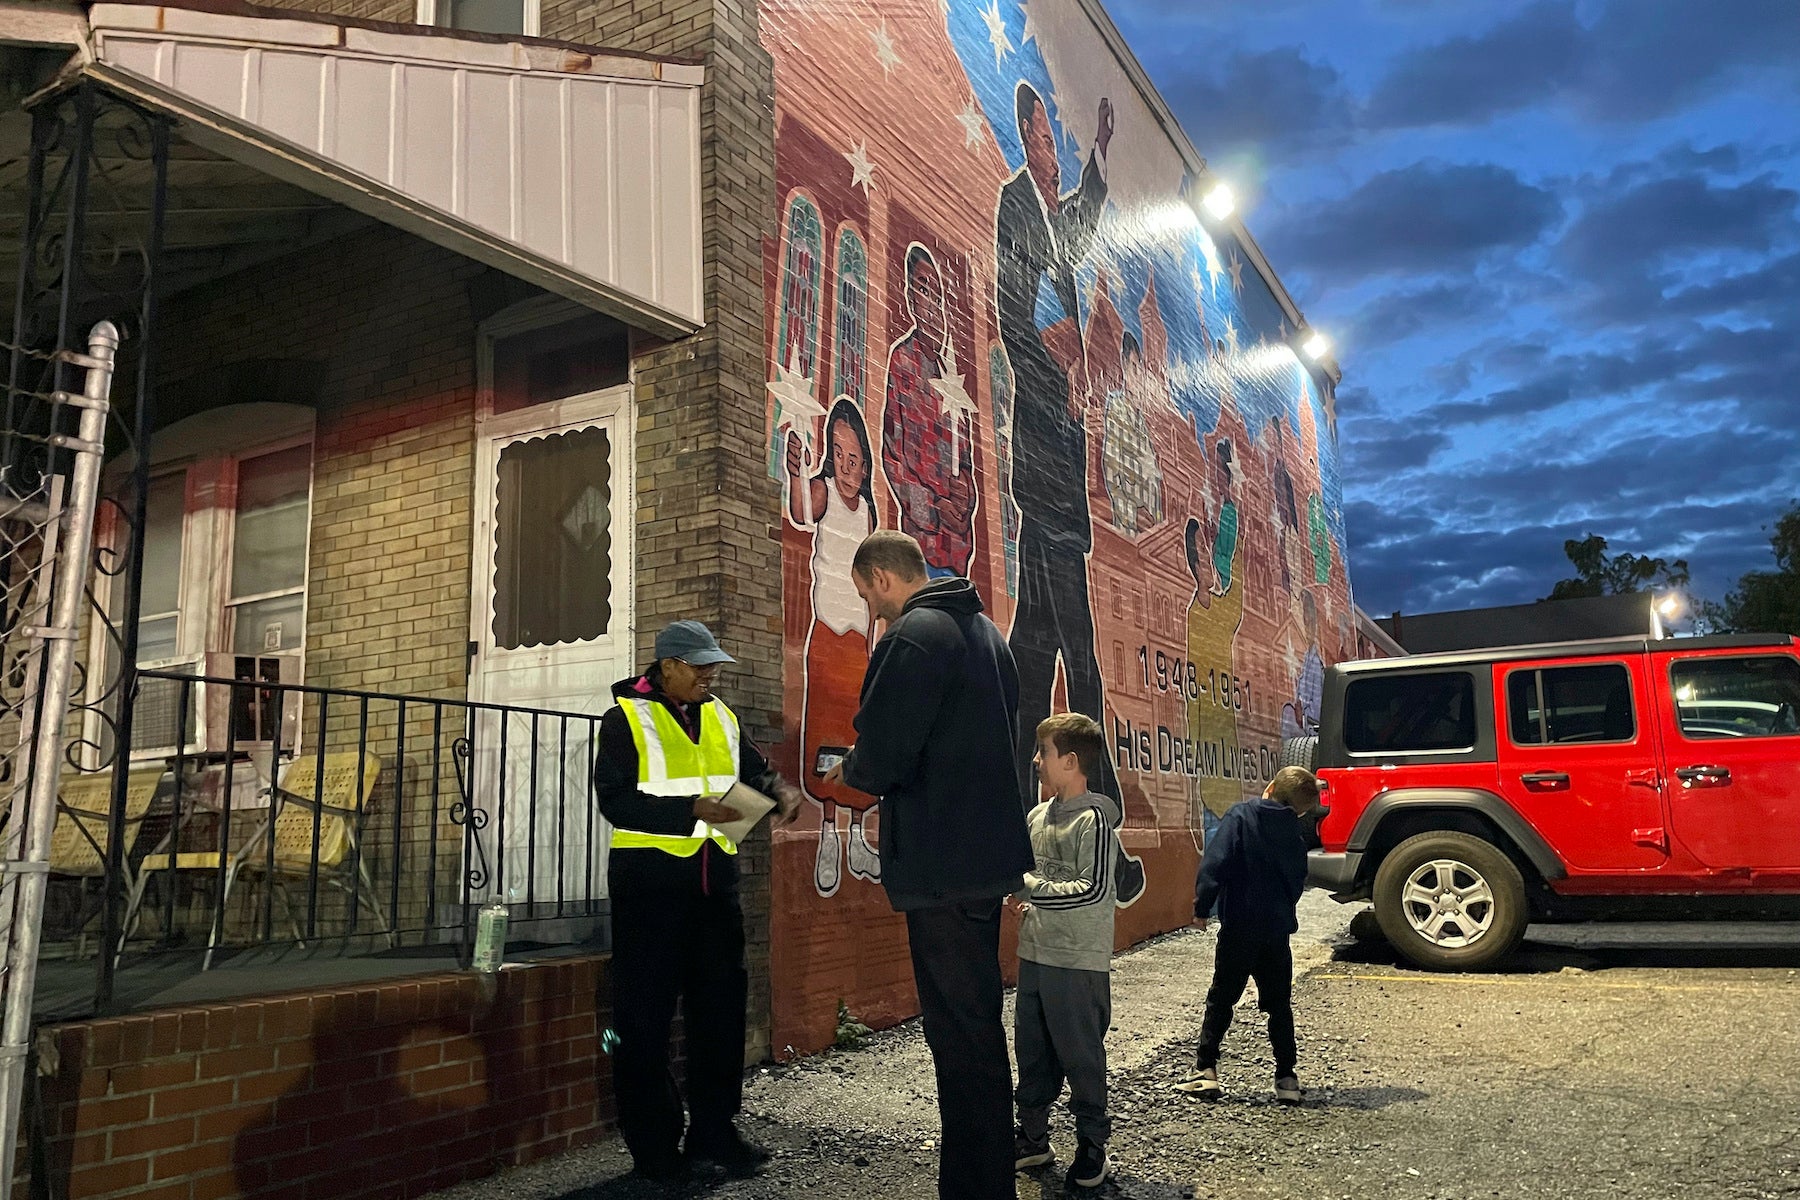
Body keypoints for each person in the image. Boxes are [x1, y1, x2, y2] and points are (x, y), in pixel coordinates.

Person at [823, 530, 1034, 1200]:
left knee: (959, 1037)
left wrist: (843, 771)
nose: (869, 610)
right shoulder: (989, 637)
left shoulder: (913, 637)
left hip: (941, 862)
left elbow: (884, 754)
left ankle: (973, 1189)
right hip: (984, 858)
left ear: (883, 576)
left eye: (866, 595)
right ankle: (985, 1178)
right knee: (977, 1029)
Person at [993, 83, 1142, 907]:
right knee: (1078, 663)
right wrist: (1067, 384)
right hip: (1044, 467)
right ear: (1024, 137)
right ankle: (1109, 850)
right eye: (1043, 137)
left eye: (1056, 138)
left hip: (1060, 473)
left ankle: (1018, 836)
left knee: (1032, 664)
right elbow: (1016, 322)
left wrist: (1101, 158)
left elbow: (1078, 231)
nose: (1048, 148)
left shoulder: (1050, 211)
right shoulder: (1017, 207)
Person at [593, 620, 804, 1181]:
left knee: (720, 1015)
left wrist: (780, 790)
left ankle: (715, 1130)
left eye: (715, 665)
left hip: (715, 890)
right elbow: (615, 802)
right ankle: (655, 1150)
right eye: (701, 665)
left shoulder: (722, 716)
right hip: (649, 892)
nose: (712, 674)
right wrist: (690, 808)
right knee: (643, 1021)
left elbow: (756, 770)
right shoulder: (624, 720)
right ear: (667, 668)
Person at [1011, 713, 1119, 1191]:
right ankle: (1034, 1140)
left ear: (1070, 761)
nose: (1037, 760)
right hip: (1034, 956)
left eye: (1045, 752)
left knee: (1081, 1058)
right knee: (1031, 1053)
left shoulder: (1094, 821)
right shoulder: (1037, 816)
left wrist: (1029, 888)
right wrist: (1021, 897)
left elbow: (1091, 890)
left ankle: (1092, 1148)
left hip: (1077, 963)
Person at [1174, 766, 1324, 1105]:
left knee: (1222, 998)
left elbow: (1216, 863)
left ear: (1269, 787)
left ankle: (1206, 1070)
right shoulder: (1294, 831)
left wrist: (1202, 908)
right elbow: (1298, 877)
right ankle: (1286, 1076)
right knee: (1278, 1005)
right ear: (1300, 809)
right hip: (1276, 932)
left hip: (1239, 927)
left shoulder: (1241, 816)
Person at [786, 398, 881, 895]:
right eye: (839, 453)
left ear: (866, 463)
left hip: (859, 649)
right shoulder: (820, 491)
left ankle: (860, 836)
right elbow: (801, 510)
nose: (848, 464)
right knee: (825, 741)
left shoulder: (869, 511)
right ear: (830, 456)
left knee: (858, 741)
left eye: (856, 456)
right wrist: (795, 468)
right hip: (826, 637)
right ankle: (827, 834)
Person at [882, 244, 979, 579]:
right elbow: (893, 457)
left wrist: (964, 499)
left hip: (957, 548)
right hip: (921, 546)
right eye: (923, 290)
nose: (933, 304)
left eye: (938, 295)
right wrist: (935, 510)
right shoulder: (902, 361)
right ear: (910, 298)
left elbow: (964, 461)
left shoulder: (951, 376)